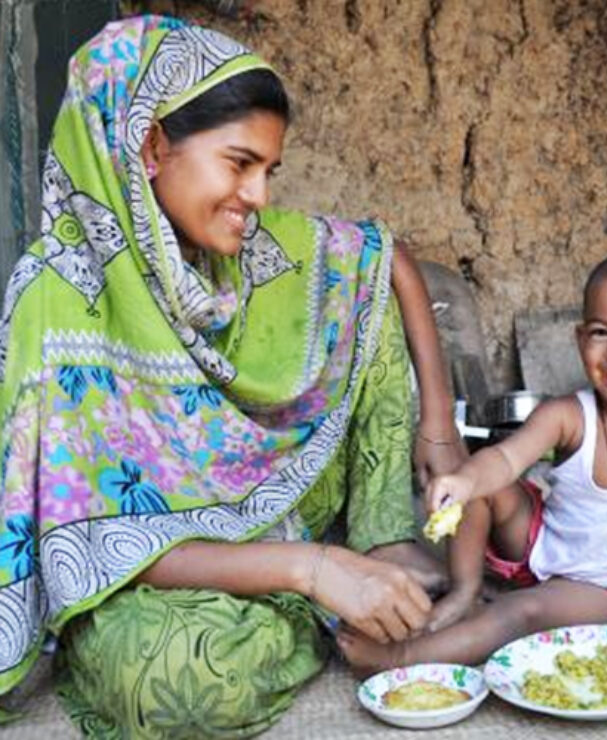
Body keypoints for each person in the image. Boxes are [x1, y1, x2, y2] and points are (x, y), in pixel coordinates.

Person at [0, 15, 465, 736]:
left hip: (282, 511)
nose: (259, 196)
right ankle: (325, 605)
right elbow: (90, 541)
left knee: (354, 291)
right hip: (156, 569)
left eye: (268, 171)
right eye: (240, 163)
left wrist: (438, 426)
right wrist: (313, 571)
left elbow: (385, 256)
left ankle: (379, 546)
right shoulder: (56, 294)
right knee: (170, 679)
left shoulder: (250, 250)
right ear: (151, 145)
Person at [338, 249, 607, 673]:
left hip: (605, 587)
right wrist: (464, 482)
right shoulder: (566, 414)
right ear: (580, 339)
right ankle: (464, 590)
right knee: (483, 483)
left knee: (521, 612)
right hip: (540, 543)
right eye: (602, 332)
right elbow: (505, 459)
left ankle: (400, 658)